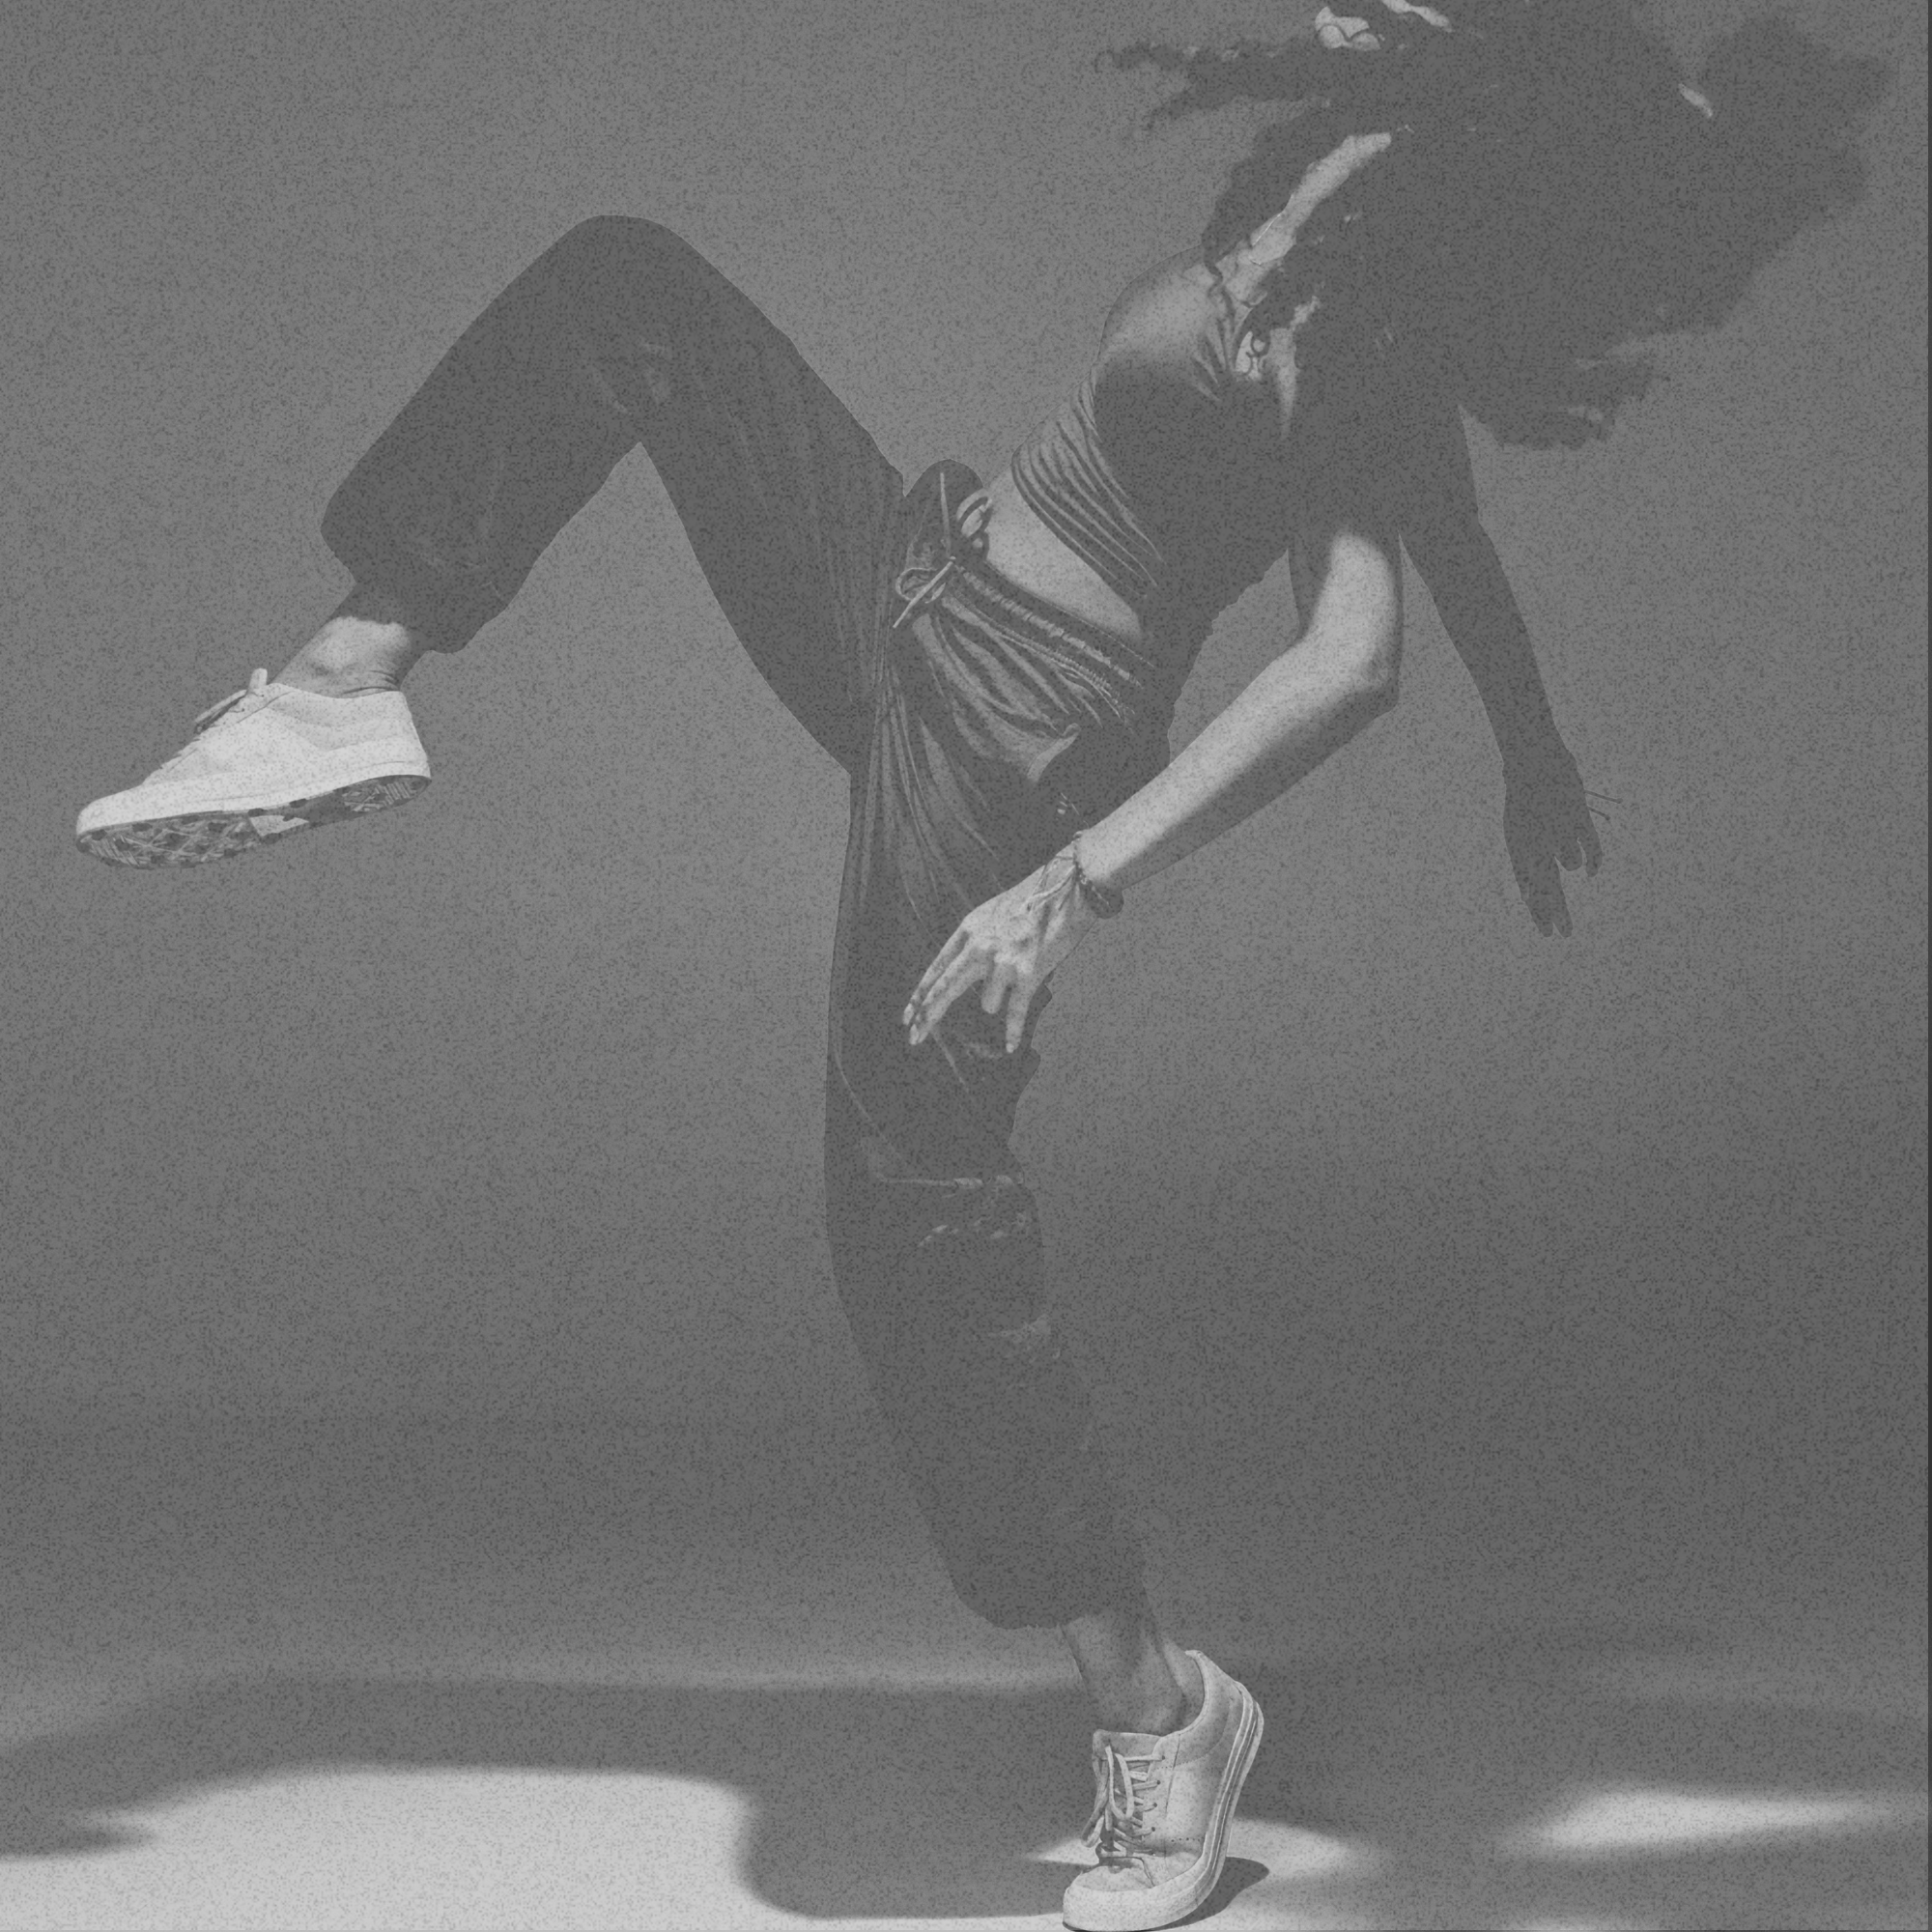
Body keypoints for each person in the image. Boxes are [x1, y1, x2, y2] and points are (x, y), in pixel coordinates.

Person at [71, 4, 1884, 1926]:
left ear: (1498, 100)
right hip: (912, 579)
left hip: (1016, 739)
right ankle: (342, 683)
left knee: (910, 1210)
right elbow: (1445, 516)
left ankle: (1161, 1709)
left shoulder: (1369, 317)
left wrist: (1066, 887)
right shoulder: (1319, 200)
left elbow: (1355, 649)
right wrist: (1535, 751)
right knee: (630, 289)